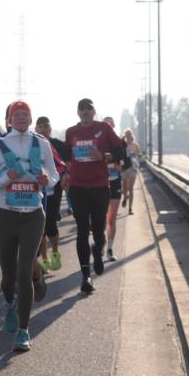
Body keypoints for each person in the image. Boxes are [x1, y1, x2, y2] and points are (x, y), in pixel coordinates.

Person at [0, 101, 57, 351]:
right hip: (6, 214)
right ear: (10, 119)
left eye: (25, 114)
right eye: (17, 115)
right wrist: (6, 179)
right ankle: (9, 302)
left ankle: (24, 330)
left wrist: (48, 180)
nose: (22, 118)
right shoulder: (0, 145)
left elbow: (54, 175)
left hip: (33, 214)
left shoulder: (42, 143)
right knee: (8, 274)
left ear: (31, 118)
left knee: (24, 270)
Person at [64, 99, 125, 294]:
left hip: (99, 186)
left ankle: (98, 253)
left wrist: (104, 157)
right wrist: (64, 173)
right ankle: (85, 276)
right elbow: (66, 155)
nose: (85, 113)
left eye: (88, 109)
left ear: (94, 111)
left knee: (98, 230)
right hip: (78, 186)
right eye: (81, 110)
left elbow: (121, 150)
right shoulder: (71, 132)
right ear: (77, 113)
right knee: (82, 230)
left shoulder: (104, 128)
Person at [34, 116, 70, 271]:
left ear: (50, 127)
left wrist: (64, 178)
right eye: (40, 126)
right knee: (40, 226)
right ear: (36, 128)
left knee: (51, 224)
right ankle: (45, 258)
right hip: (36, 191)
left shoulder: (58, 145)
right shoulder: (31, 144)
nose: (43, 129)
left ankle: (55, 252)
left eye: (45, 126)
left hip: (54, 190)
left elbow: (66, 165)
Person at [103, 117, 124, 262]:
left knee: (111, 219)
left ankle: (109, 249)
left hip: (115, 182)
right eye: (105, 124)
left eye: (110, 124)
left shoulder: (119, 142)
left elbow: (126, 159)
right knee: (101, 220)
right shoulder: (97, 142)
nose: (108, 126)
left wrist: (120, 165)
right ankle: (101, 245)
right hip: (100, 184)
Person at [121, 127, 141, 214]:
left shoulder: (136, 145)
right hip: (125, 167)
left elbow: (139, 156)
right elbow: (120, 156)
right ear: (125, 136)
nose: (128, 136)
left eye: (129, 134)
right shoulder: (123, 145)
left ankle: (130, 209)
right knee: (125, 188)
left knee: (131, 188)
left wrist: (137, 157)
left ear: (131, 135)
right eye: (127, 135)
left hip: (133, 167)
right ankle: (125, 198)